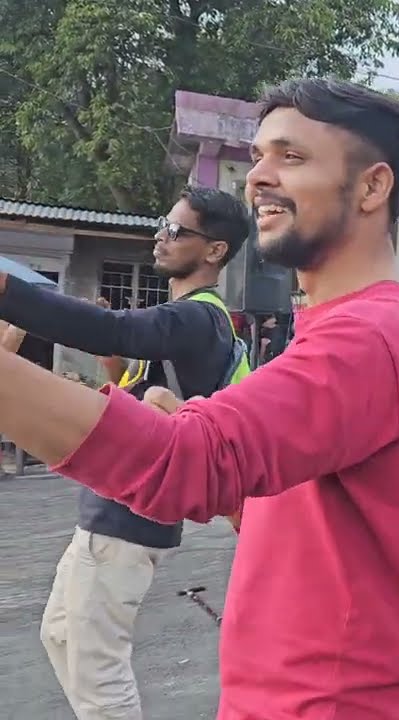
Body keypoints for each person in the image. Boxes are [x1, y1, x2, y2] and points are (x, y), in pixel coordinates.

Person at [0, 78, 399, 719]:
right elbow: (288, 491)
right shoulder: (333, 325)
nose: (259, 176)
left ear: (372, 187)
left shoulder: (372, 335)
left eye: (291, 157)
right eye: (259, 155)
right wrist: (186, 428)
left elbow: (185, 462)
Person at [0, 185, 249, 720]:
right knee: (61, 635)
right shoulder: (191, 318)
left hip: (130, 515)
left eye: (177, 230)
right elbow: (132, 375)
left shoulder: (197, 317)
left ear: (215, 251)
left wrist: (8, 290)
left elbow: (112, 329)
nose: (161, 237)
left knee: (98, 672)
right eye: (163, 225)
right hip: (114, 506)